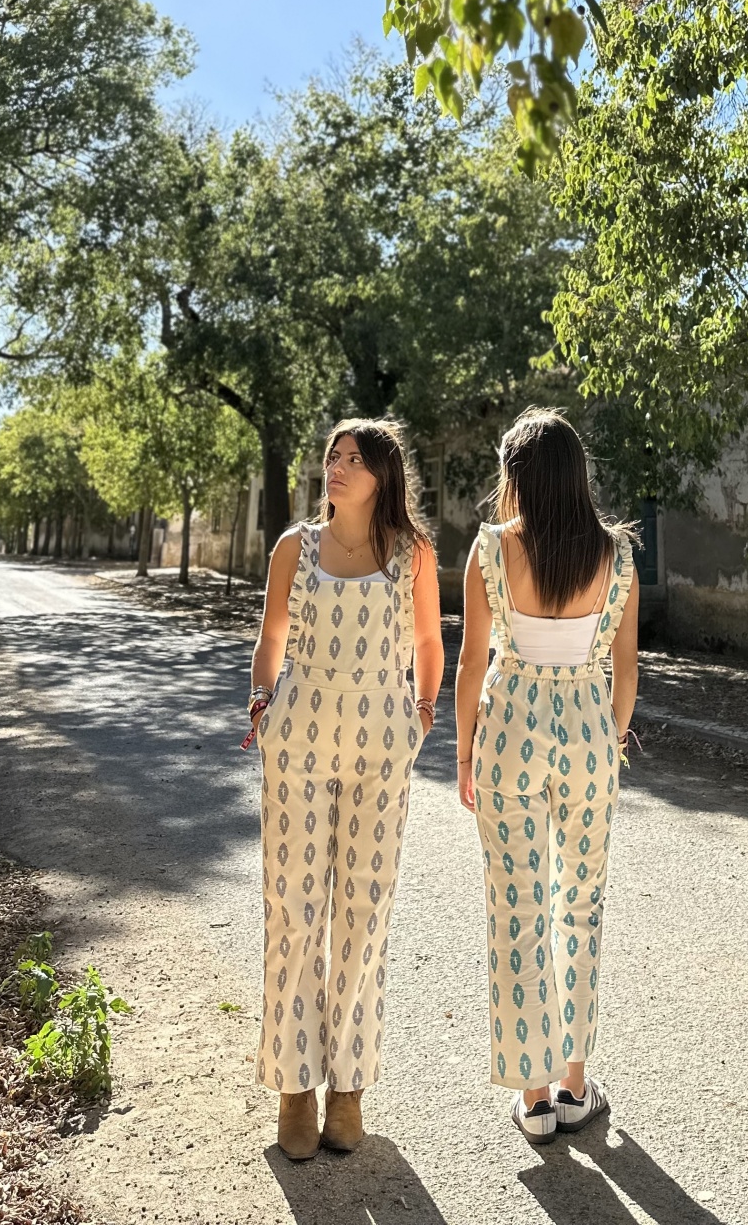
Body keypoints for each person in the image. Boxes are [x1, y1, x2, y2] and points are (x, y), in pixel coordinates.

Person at [248, 418, 444, 1160]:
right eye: (333, 456)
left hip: (382, 743)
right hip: (298, 737)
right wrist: (262, 705)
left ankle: (349, 1088)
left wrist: (422, 714)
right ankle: (294, 1089)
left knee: (365, 910)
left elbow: (429, 642)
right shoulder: (293, 548)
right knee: (293, 909)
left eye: (355, 459)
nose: (337, 466)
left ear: (383, 475)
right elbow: (271, 637)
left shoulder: (413, 554)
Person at [454, 407, 640, 1143]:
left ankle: (533, 1097)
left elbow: (472, 664)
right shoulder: (618, 556)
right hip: (590, 730)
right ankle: (575, 1084)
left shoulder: (491, 550)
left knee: (517, 907)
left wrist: (464, 754)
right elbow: (626, 670)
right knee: (581, 904)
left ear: (516, 475)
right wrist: (610, 741)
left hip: (509, 729)